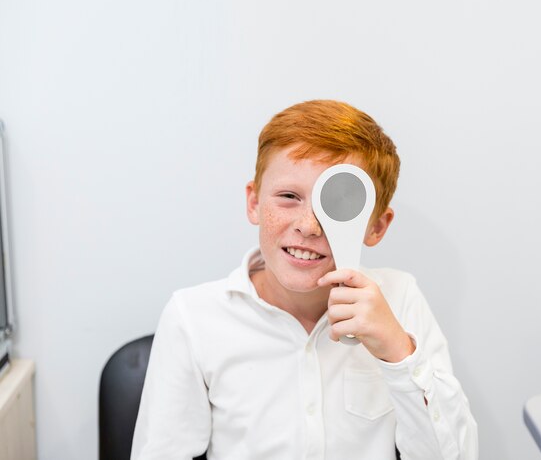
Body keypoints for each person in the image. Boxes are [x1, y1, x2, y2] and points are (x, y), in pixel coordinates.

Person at [131, 100, 478, 460]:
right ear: (253, 202)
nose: (308, 226)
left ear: (376, 226)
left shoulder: (400, 298)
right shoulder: (193, 318)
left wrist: (397, 352)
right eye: (288, 197)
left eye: (337, 206)